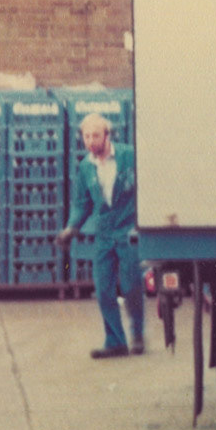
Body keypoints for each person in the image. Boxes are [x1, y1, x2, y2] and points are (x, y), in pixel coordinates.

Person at [56, 112, 144, 359]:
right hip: (104, 233)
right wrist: (71, 228)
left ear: (107, 135)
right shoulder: (86, 167)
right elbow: (82, 203)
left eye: (95, 135)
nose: (91, 141)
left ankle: (137, 334)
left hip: (128, 231)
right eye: (86, 136)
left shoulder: (129, 156)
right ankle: (115, 341)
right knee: (104, 289)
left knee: (131, 287)